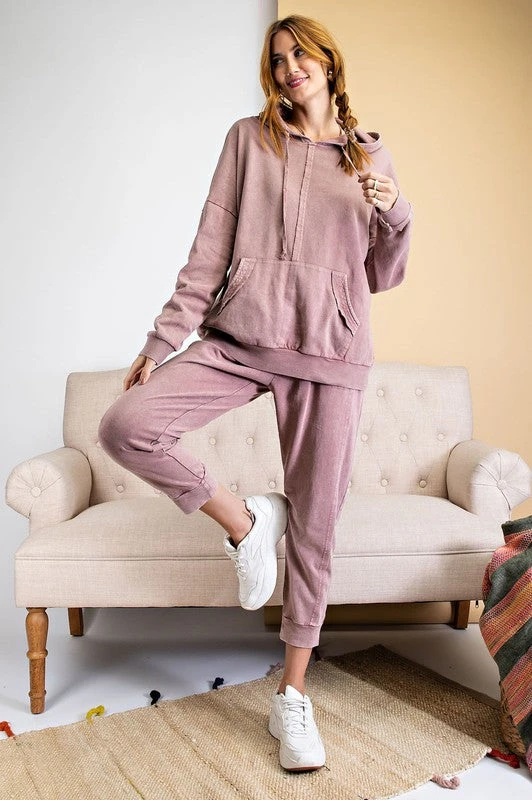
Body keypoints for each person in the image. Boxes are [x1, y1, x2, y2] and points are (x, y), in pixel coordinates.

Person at [98, 13, 413, 773]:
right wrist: (160, 341)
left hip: (330, 354)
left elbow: (383, 273)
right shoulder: (249, 140)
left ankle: (292, 697)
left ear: (330, 64)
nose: (290, 66)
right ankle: (246, 524)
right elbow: (208, 251)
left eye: (301, 54)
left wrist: (395, 212)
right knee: (126, 425)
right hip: (240, 339)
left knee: (316, 530)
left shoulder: (368, 156)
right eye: (277, 59)